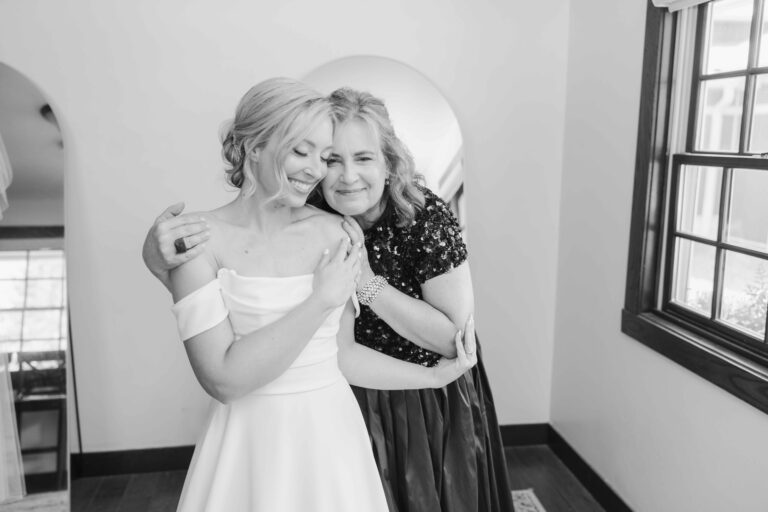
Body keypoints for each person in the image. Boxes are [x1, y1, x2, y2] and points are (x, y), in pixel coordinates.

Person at [144, 86, 510, 512]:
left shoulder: (360, 226)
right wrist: (155, 261)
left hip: (373, 412)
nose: (327, 171)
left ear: (389, 163)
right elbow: (223, 373)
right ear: (253, 147)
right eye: (319, 156)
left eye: (329, 156)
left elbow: (360, 353)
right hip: (266, 430)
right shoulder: (213, 236)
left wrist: (426, 372)